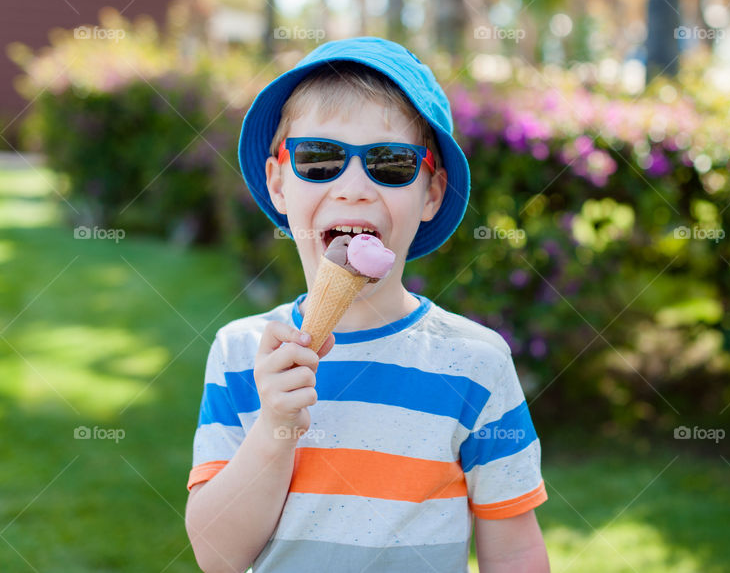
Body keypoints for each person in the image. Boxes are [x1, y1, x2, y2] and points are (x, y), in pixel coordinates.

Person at [184, 37, 549, 572]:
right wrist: (274, 429)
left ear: (431, 194)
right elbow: (217, 557)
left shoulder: (476, 364)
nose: (353, 187)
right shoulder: (242, 354)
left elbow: (514, 548)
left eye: (391, 162)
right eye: (319, 157)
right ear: (277, 183)